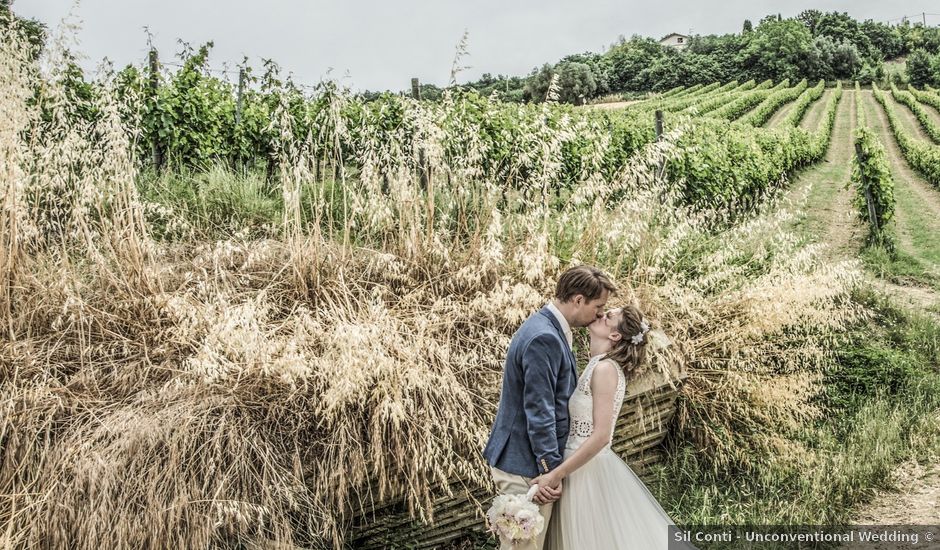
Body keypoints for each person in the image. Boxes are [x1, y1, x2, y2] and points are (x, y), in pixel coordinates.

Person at [535, 304, 697, 550]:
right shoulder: (597, 364)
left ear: (615, 335)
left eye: (609, 316)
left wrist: (556, 474)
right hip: (577, 465)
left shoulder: (605, 369)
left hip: (586, 471)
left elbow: (601, 436)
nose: (602, 314)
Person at [482, 265, 616, 550]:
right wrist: (550, 471)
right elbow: (539, 411)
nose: (601, 314)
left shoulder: (549, 327)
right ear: (578, 300)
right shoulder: (545, 337)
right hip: (525, 465)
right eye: (599, 306)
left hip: (530, 461)